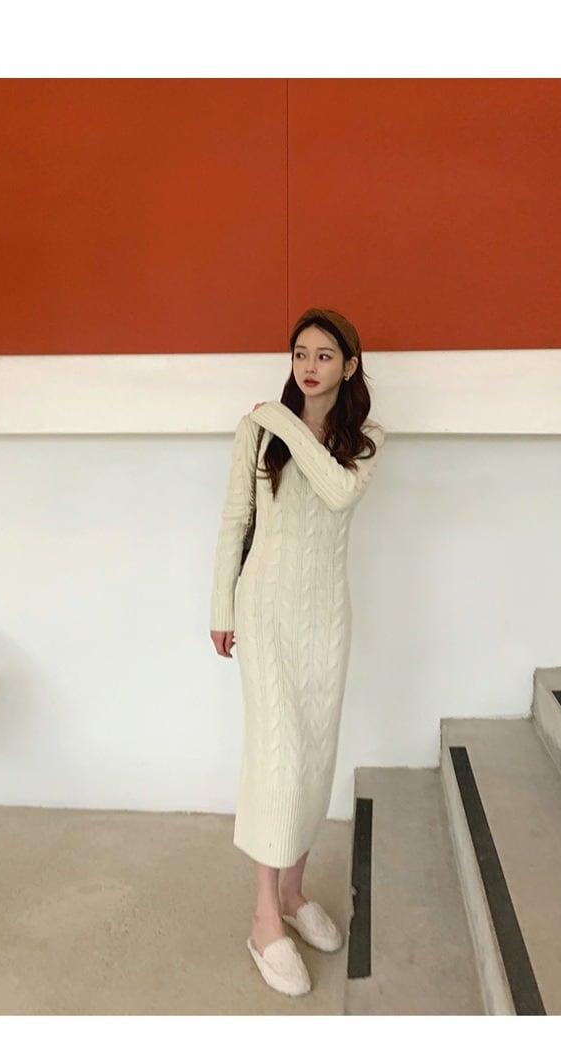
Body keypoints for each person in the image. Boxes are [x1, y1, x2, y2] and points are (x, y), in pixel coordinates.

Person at [209, 307, 385, 997]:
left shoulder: (364, 438)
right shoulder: (257, 431)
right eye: (299, 354)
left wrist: (282, 420)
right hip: (266, 613)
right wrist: (221, 608)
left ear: (349, 365)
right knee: (276, 754)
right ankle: (263, 919)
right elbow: (235, 522)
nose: (309, 367)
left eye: (324, 355)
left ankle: (293, 892)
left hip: (326, 618)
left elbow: (337, 493)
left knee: (314, 752)